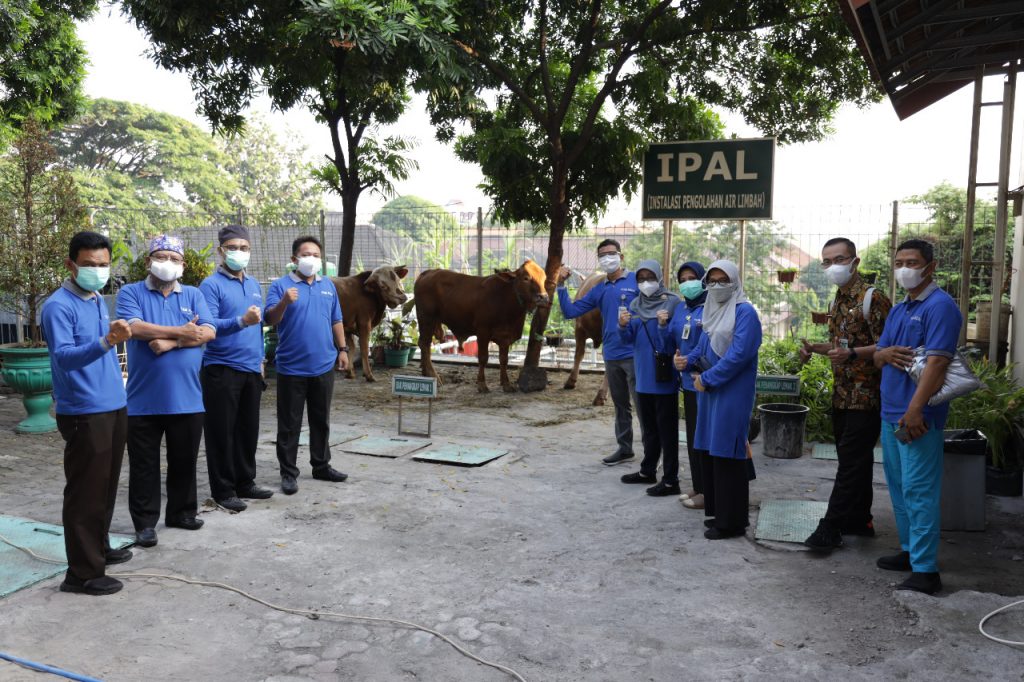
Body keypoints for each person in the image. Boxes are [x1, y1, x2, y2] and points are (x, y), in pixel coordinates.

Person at [41, 231, 133, 595]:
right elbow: (63, 357)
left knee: (106, 486)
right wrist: (107, 341)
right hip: (84, 410)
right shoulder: (57, 306)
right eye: (90, 265)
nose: (98, 271)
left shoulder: (95, 298)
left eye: (104, 265)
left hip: (112, 403)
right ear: (71, 264)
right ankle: (81, 574)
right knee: (85, 492)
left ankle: (100, 549)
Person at [873, 239, 961, 595]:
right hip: (891, 410)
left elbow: (938, 362)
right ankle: (910, 551)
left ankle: (926, 570)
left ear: (930, 266)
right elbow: (880, 353)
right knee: (899, 489)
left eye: (912, 262)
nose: (904, 268)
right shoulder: (899, 309)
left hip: (917, 416)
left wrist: (916, 409)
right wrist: (882, 354)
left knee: (920, 490)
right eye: (899, 262)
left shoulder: (941, 307)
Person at [116, 235, 216, 548]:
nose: (167, 263)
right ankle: (145, 524)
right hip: (143, 401)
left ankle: (182, 513)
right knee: (144, 466)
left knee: (184, 461)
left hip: (188, 399)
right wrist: (183, 331)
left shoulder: (195, 295)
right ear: (148, 261)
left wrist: (171, 342)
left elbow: (209, 331)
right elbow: (134, 328)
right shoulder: (130, 292)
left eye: (174, 259)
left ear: (183, 265)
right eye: (160, 256)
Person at [800, 238, 891, 551]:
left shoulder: (873, 298)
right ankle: (860, 519)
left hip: (867, 396)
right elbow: (840, 347)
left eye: (839, 259)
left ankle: (830, 526)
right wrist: (816, 349)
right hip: (842, 393)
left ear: (855, 261)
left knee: (850, 463)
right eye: (827, 261)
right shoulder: (838, 299)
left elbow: (886, 347)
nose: (832, 266)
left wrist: (851, 354)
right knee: (856, 461)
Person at [677, 260, 761, 539]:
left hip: (731, 393)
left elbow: (739, 356)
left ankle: (733, 522)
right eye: (711, 281)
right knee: (712, 451)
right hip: (709, 393)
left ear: (735, 281)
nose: (716, 286)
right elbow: (703, 345)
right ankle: (717, 514)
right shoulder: (713, 311)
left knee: (728, 453)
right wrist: (685, 362)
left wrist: (708, 379)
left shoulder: (745, 312)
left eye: (722, 280)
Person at [265, 236, 350, 495]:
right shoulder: (281, 286)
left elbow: (336, 319)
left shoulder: (328, 286)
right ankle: (288, 473)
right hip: (291, 367)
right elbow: (270, 318)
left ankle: (321, 465)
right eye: (306, 254)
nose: (311, 259)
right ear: (294, 259)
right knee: (289, 424)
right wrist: (284, 302)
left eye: (315, 254)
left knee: (320, 420)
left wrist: (343, 349)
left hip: (323, 364)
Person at [199, 225, 274, 513]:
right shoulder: (211, 285)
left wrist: (261, 361)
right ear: (220, 251)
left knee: (247, 429)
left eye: (244, 248)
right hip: (221, 368)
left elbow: (259, 328)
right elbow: (209, 325)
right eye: (232, 248)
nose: (238, 253)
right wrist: (240, 321)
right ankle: (223, 489)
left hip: (250, 369)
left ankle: (245, 481)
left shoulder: (254, 284)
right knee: (221, 432)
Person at [556, 239, 642, 466]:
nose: (607, 258)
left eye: (611, 254)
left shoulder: (637, 281)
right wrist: (561, 286)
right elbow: (570, 311)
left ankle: (654, 453)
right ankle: (625, 449)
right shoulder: (600, 289)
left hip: (636, 354)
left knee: (643, 405)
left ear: (621, 256)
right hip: (612, 355)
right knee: (621, 405)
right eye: (602, 255)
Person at [617, 260, 682, 496]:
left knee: (668, 431)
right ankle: (647, 470)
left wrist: (664, 326)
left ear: (660, 277)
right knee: (649, 428)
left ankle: (671, 479)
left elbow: (672, 342)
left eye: (650, 277)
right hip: (643, 374)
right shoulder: (635, 304)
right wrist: (622, 326)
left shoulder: (672, 302)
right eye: (641, 278)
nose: (646, 282)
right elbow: (628, 341)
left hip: (663, 376)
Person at [665, 261, 708, 510]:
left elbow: (709, 344)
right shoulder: (681, 309)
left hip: (704, 381)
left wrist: (689, 360)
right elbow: (671, 340)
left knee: (703, 437)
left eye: (693, 277)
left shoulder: (710, 308)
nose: (688, 282)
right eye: (683, 278)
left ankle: (707, 490)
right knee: (692, 437)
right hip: (687, 382)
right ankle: (698, 485)